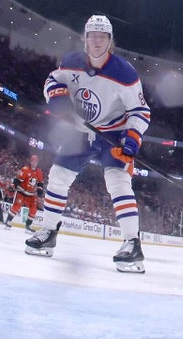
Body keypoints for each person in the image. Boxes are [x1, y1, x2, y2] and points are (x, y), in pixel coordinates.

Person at [24, 15, 151, 273]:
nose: (96, 40)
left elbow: (140, 110)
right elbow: (52, 81)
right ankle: (49, 231)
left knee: (117, 180)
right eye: (92, 35)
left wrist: (132, 139)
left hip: (113, 134)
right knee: (58, 175)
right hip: (82, 131)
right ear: (85, 39)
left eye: (101, 36)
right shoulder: (71, 62)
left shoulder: (124, 73)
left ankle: (132, 243)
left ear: (110, 41)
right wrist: (57, 97)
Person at [6, 158, 40, 231]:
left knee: (34, 208)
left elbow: (40, 182)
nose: (34, 163)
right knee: (16, 206)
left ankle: (28, 226)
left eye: (35, 162)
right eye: (33, 161)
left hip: (31, 194)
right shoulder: (25, 169)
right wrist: (13, 186)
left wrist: (40, 189)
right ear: (30, 162)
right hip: (22, 192)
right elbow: (17, 180)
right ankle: (8, 221)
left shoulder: (38, 172)